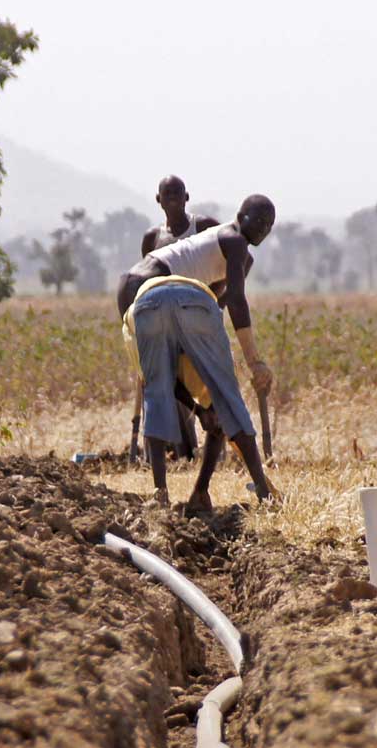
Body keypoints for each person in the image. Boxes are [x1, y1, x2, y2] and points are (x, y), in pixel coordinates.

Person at [119, 194, 280, 510]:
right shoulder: (233, 239)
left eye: (269, 224)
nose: (264, 229)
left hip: (143, 300)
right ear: (240, 216)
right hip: (162, 293)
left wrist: (198, 406)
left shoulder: (232, 255)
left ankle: (163, 494)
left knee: (158, 389)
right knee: (224, 394)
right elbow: (233, 300)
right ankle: (263, 490)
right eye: (259, 220)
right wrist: (254, 362)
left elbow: (216, 302)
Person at [125, 177, 218, 459]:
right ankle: (182, 449)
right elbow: (146, 280)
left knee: (209, 379)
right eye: (168, 193)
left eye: (178, 192)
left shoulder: (203, 228)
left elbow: (226, 266)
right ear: (159, 200)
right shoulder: (153, 238)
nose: (174, 198)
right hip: (164, 322)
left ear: (187, 197)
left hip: (198, 318)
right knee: (169, 381)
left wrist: (213, 304)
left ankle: (218, 442)